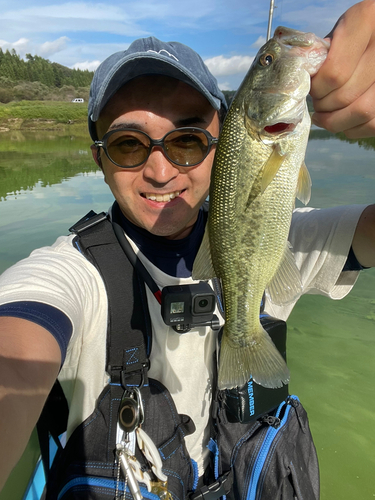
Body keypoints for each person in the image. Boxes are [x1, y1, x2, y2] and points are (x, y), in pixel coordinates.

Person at [0, 0, 374, 497]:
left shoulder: (290, 236)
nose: (160, 171)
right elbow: (16, 344)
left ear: (221, 140)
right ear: (99, 158)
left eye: (188, 140)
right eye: (129, 144)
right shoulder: (72, 273)